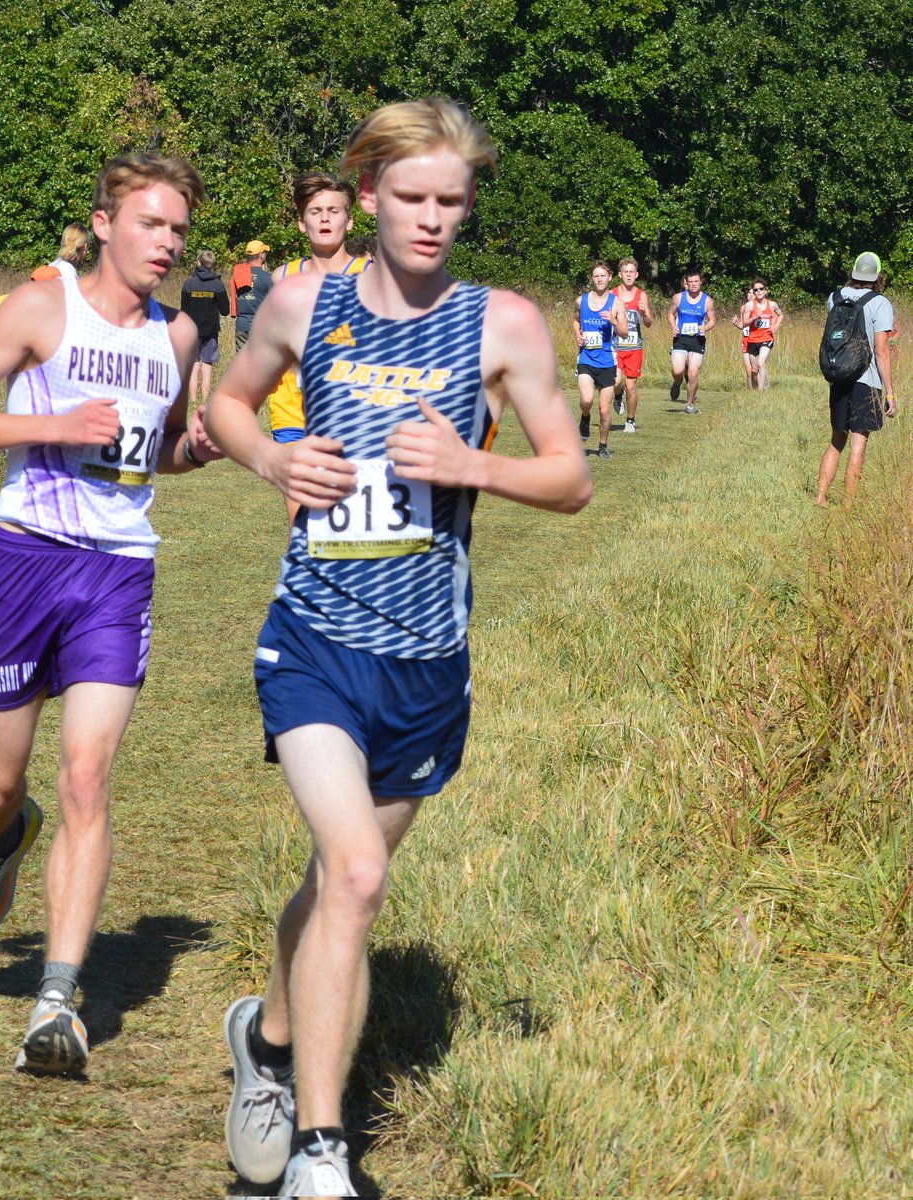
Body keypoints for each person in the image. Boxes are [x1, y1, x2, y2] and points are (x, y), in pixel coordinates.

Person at [205, 97, 591, 1198]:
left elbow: (568, 477)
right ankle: (321, 1157)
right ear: (365, 193)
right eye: (411, 198)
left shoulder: (501, 324)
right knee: (359, 873)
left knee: (337, 882)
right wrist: (276, 464)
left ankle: (267, 1045)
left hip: (427, 663)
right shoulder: (301, 300)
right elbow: (231, 407)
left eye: (451, 204)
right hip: (316, 639)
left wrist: (474, 467)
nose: (429, 221)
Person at [0, 154, 222, 1075]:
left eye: (179, 231)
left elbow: (158, 455)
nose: (168, 244)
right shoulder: (41, 306)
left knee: (88, 778)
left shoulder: (178, 337)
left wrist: (205, 446)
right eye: (152, 224)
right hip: (24, 560)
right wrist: (53, 427)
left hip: (118, 572)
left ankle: (56, 1003)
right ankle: (0, 838)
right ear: (104, 223)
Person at [268, 173, 371, 524]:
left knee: (350, 526)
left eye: (333, 210)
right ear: (301, 223)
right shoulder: (283, 277)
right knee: (302, 526)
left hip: (352, 415)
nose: (325, 218)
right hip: (293, 413)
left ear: (349, 219)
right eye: (315, 211)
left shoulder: (372, 276)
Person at [816, 252, 896, 506]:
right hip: (867, 380)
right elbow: (882, 350)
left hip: (839, 377)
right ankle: (849, 506)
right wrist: (890, 392)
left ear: (853, 273)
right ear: (878, 276)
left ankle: (820, 497)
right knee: (858, 443)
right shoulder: (880, 303)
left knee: (837, 439)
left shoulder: (834, 298)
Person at [573, 261, 627, 458]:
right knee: (586, 400)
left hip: (607, 362)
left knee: (604, 411)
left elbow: (624, 332)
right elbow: (575, 320)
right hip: (586, 358)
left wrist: (613, 321)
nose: (599, 279)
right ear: (592, 278)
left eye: (603, 275)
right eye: (596, 276)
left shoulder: (617, 303)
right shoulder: (581, 300)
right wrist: (578, 334)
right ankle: (585, 418)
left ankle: (603, 445)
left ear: (610, 277)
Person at [180, 248, 229, 404]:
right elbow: (226, 311)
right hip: (211, 332)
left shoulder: (189, 284)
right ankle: (205, 401)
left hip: (192, 332)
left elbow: (183, 312)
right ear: (212, 264)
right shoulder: (217, 285)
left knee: (194, 367)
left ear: (198, 262)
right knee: (207, 367)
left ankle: (193, 401)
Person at [611, 257, 652, 434]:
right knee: (616, 381)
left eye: (631, 272)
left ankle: (630, 420)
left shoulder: (641, 295)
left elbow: (649, 323)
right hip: (616, 346)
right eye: (625, 272)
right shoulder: (612, 294)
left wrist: (644, 313)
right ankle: (618, 396)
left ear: (637, 275)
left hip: (634, 347)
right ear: (620, 274)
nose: (628, 275)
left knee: (631, 386)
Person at [668, 268, 716, 414]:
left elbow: (713, 320)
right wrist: (673, 326)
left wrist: (705, 327)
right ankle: (677, 382)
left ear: (701, 282)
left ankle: (690, 404)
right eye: (691, 282)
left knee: (693, 373)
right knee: (678, 370)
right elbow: (670, 314)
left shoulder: (707, 300)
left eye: (696, 281)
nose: (694, 284)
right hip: (680, 339)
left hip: (697, 340)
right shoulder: (678, 298)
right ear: (686, 283)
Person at [739, 277, 784, 391]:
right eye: (756, 290)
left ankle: (760, 392)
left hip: (767, 338)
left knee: (761, 363)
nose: (758, 291)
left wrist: (776, 326)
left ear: (766, 291)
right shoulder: (749, 306)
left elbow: (781, 315)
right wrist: (754, 316)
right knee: (754, 369)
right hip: (753, 340)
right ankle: (754, 387)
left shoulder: (772, 305)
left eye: (761, 289)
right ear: (753, 292)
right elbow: (744, 323)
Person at [230, 239, 273, 351]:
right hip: (260, 327)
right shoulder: (267, 278)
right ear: (261, 255)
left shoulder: (238, 274)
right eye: (265, 252)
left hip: (242, 325)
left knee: (242, 362)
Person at [732, 286, 756, 390]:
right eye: (749, 293)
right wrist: (736, 323)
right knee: (749, 369)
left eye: (753, 293)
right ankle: (751, 393)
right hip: (746, 340)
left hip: (757, 340)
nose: (751, 295)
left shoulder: (761, 307)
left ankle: (760, 388)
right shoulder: (743, 308)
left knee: (757, 368)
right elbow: (742, 326)